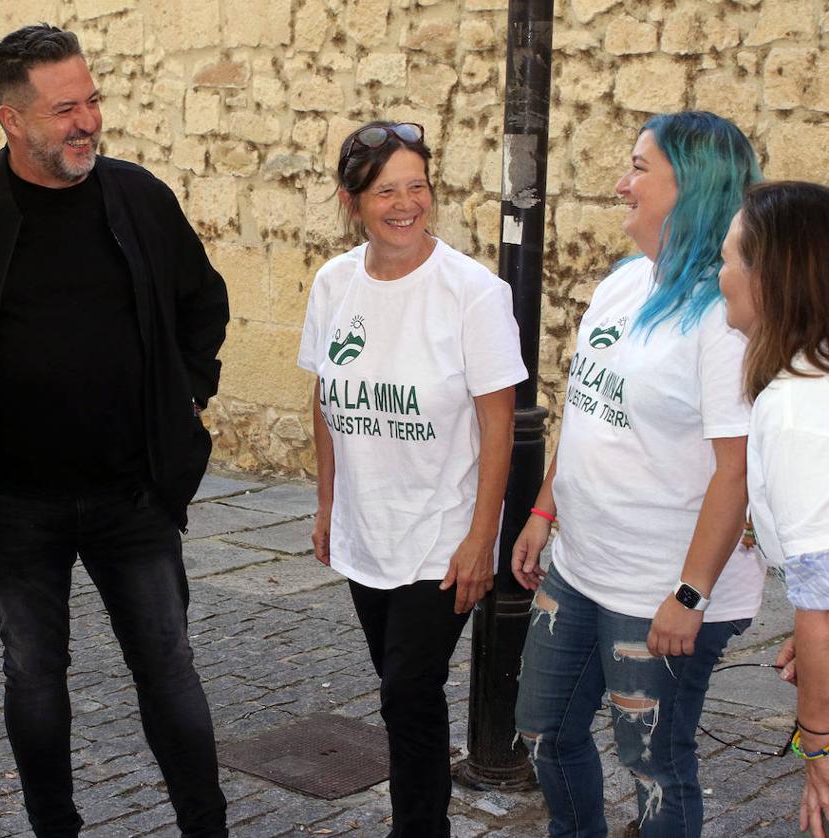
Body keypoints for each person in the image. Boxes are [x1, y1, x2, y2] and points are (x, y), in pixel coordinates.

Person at [0, 24, 230, 838]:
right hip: (13, 503)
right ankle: (53, 827)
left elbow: (203, 302)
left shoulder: (138, 196)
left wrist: (185, 398)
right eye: (65, 109)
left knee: (168, 668)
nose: (87, 121)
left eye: (92, 100)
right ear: (11, 119)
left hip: (135, 495)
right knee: (34, 677)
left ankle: (208, 827)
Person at [511, 111, 766, 837]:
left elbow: (735, 473)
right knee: (543, 733)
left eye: (639, 169)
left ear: (690, 188)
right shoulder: (626, 280)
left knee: (654, 766)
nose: (621, 184)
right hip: (580, 566)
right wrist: (543, 510)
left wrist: (689, 595)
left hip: (660, 590)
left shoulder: (724, 318)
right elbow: (588, 406)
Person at [298, 120, 527, 836]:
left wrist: (480, 538)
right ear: (352, 200)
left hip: (441, 534)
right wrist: (327, 503)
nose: (405, 204)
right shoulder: (334, 283)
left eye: (418, 187)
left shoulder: (472, 293)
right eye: (386, 191)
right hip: (368, 528)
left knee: (408, 691)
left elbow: (500, 423)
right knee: (401, 690)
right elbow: (325, 399)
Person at [718, 180, 829, 838]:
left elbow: (822, 602)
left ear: (771, 278)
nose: (721, 274)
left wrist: (817, 747)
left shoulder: (794, 409)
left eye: (732, 258)